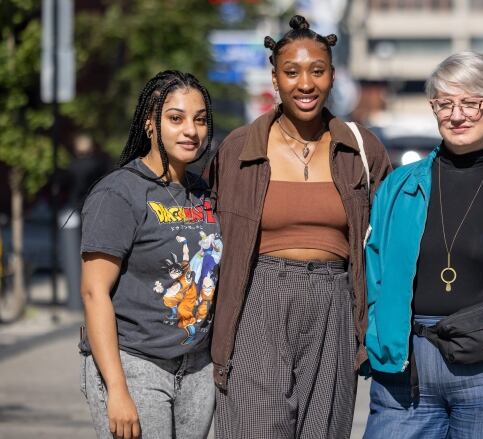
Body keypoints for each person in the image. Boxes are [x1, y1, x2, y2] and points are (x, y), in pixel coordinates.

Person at [210, 15, 391, 438]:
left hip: (334, 301)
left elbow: (389, 242)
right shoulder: (237, 149)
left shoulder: (362, 149)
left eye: (317, 71)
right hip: (258, 297)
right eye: (291, 72)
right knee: (254, 426)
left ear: (332, 76)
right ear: (275, 79)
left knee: (322, 430)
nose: (305, 83)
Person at [362, 51, 483, 439]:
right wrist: (378, 340)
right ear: (433, 108)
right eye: (445, 103)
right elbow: (374, 269)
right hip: (407, 365)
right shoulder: (400, 188)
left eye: (471, 102)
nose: (457, 114)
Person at [79, 70, 219, 439]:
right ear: (150, 124)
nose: (191, 130)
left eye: (200, 119)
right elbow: (94, 294)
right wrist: (118, 389)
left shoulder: (202, 192)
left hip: (196, 368)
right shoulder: (119, 193)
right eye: (176, 118)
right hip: (136, 364)